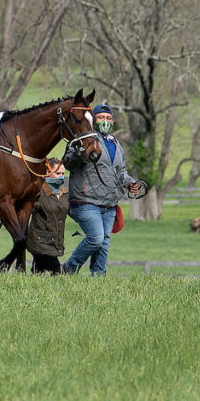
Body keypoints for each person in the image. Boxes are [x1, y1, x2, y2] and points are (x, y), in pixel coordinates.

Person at [62, 103, 145, 276]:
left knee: (104, 242)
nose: (105, 121)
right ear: (93, 120)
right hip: (86, 201)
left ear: (112, 121)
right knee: (96, 238)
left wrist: (130, 183)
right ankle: (69, 268)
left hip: (109, 203)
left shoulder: (116, 143)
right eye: (100, 117)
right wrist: (79, 152)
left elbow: (120, 172)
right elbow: (68, 164)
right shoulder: (80, 138)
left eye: (108, 118)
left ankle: (99, 276)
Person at [26, 158, 71, 274]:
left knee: (38, 272)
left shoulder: (65, 194)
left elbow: (73, 213)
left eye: (63, 174)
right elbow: (24, 210)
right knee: (56, 273)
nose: (61, 177)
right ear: (47, 172)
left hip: (55, 242)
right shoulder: (38, 193)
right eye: (58, 173)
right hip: (40, 242)